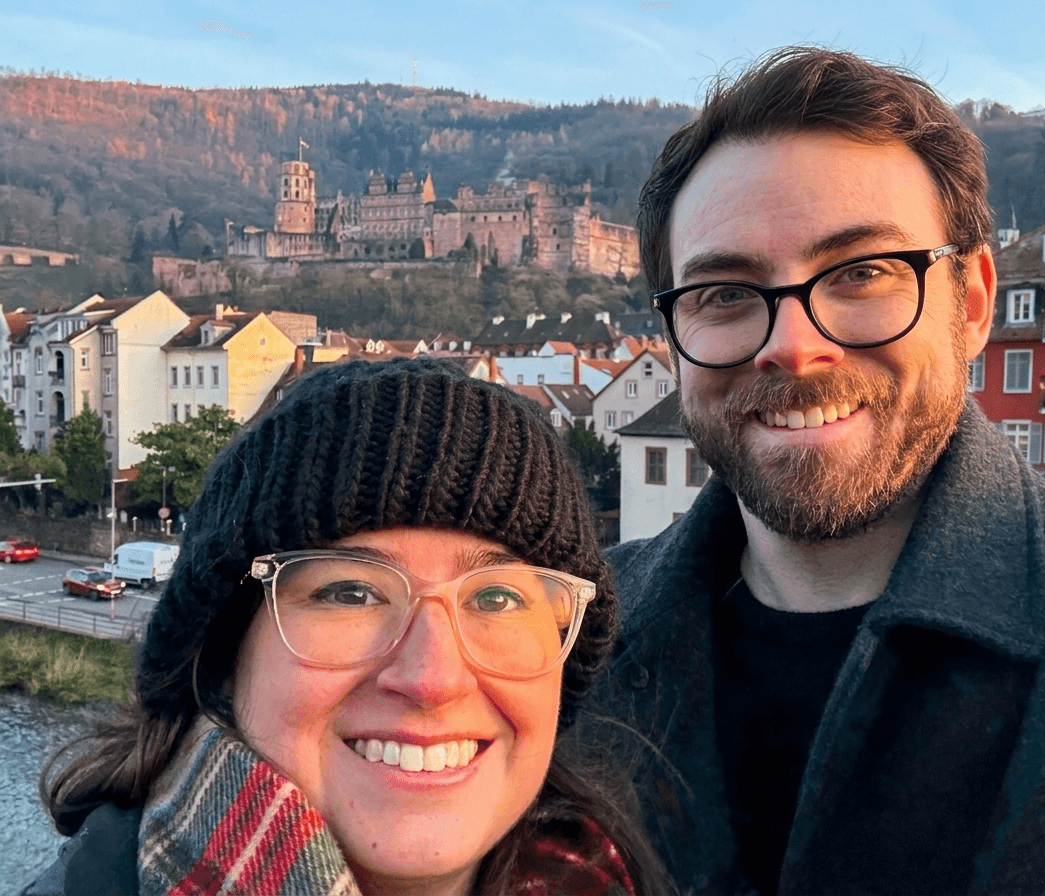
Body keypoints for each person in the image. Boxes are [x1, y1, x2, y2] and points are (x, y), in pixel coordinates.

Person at [573, 45, 1045, 895]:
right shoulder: (566, 650)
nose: (792, 348)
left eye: (863, 272)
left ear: (971, 304)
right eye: (722, 292)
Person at [27, 358, 670, 896]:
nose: (432, 678)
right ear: (222, 654)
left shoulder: (593, 874)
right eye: (351, 592)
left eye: (498, 598)